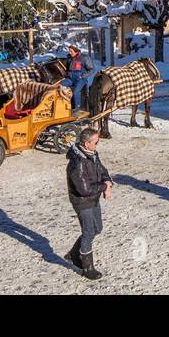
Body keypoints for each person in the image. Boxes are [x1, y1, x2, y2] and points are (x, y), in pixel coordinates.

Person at [64, 127, 113, 279]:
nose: (97, 145)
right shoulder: (77, 163)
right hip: (82, 201)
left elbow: (102, 170)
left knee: (98, 228)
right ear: (86, 144)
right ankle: (87, 268)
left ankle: (73, 253)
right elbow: (84, 189)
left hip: (93, 198)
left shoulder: (92, 154)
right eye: (96, 142)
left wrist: (107, 181)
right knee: (89, 232)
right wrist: (104, 187)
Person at [65, 45, 94, 110]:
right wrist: (67, 73)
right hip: (70, 79)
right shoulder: (69, 57)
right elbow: (67, 68)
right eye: (69, 51)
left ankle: (77, 109)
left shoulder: (84, 57)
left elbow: (91, 69)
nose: (69, 52)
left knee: (75, 92)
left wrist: (83, 76)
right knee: (60, 85)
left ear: (76, 51)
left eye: (71, 51)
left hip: (80, 79)